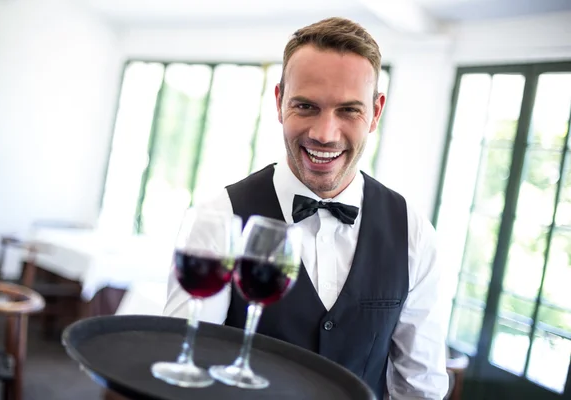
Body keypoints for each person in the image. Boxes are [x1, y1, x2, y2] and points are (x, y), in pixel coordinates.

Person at [164, 16, 449, 399]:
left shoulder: (413, 231)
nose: (324, 134)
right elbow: (186, 368)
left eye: (349, 110)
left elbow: (421, 385)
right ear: (280, 102)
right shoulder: (220, 216)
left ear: (375, 113)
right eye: (306, 106)